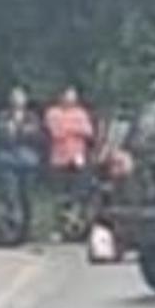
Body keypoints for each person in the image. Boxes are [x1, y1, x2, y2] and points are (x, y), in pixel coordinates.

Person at [44, 86, 96, 239]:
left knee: (78, 195)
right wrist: (75, 128)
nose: (70, 98)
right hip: (59, 160)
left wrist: (68, 128)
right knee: (60, 196)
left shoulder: (81, 113)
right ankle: (59, 229)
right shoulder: (53, 113)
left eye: (73, 95)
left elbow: (88, 132)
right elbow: (56, 132)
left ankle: (77, 228)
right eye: (68, 95)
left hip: (77, 158)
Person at [0, 86, 43, 243]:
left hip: (28, 162)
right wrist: (15, 131)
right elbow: (2, 135)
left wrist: (19, 129)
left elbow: (36, 135)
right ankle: (12, 231)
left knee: (27, 196)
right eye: (14, 97)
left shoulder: (32, 117)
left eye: (20, 97)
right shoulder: (3, 116)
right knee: (11, 196)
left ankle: (27, 231)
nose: (17, 100)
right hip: (8, 161)